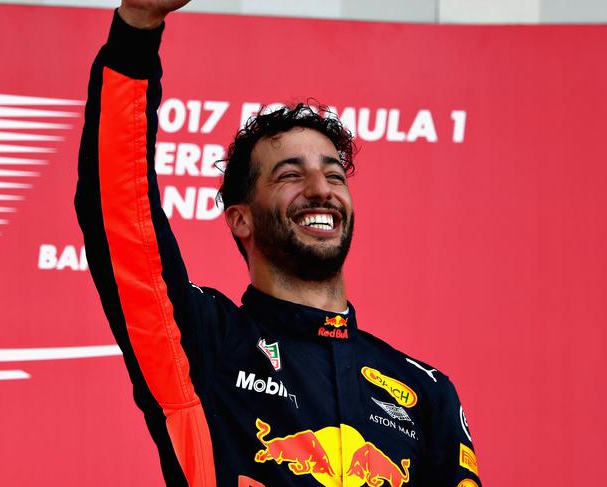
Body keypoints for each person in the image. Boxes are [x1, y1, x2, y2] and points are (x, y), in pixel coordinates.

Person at [75, 1, 482, 486]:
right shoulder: (205, 344)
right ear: (240, 220)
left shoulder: (426, 391)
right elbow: (120, 212)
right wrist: (137, 28)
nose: (320, 189)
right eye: (291, 175)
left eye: (334, 175)